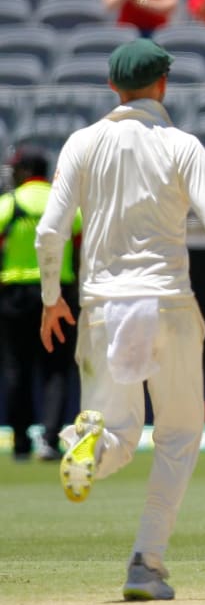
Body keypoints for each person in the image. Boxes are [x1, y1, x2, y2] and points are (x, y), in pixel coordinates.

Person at [35, 38, 205, 601]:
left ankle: (81, 440)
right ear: (163, 84)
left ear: (113, 87)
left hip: (102, 305)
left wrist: (50, 297)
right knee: (180, 436)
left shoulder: (81, 142)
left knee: (117, 432)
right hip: (166, 302)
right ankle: (145, 562)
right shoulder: (181, 144)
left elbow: (50, 232)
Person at [1, 147, 79, 463]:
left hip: (14, 295)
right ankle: (50, 440)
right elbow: (80, 241)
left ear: (22, 171)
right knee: (56, 369)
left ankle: (20, 443)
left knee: (16, 368)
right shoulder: (65, 204)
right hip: (58, 294)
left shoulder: (9, 204)